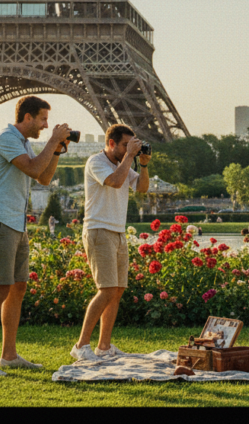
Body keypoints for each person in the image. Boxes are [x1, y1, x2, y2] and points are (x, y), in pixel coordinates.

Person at [0, 96, 70, 376]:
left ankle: (9, 355)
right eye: (43, 119)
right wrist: (52, 141)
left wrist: (58, 150)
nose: (46, 125)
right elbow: (33, 168)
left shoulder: (24, 143)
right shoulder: (5, 137)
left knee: (18, 288)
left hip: (15, 222)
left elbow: (43, 178)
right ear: (27, 117)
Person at [70, 124, 150, 361]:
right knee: (105, 291)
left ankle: (104, 346)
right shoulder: (97, 162)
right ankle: (81, 345)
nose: (129, 149)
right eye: (126, 145)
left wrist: (143, 164)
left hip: (117, 231)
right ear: (111, 143)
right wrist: (130, 157)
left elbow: (142, 189)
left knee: (117, 291)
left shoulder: (121, 164)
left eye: (131, 145)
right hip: (99, 230)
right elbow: (115, 182)